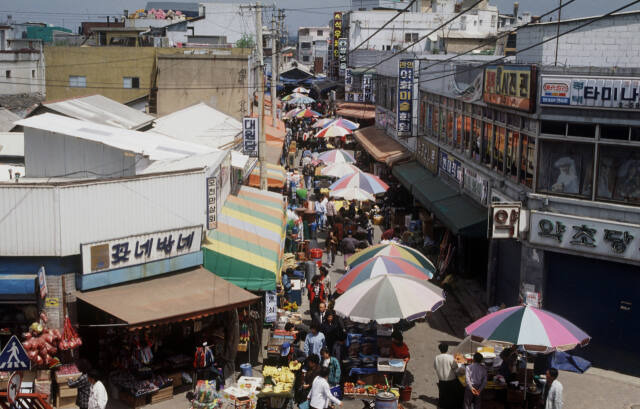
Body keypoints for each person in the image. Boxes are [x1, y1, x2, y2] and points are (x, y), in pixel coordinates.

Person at [434, 343, 459, 409]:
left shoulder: (437, 357)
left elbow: (435, 367)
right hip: (451, 379)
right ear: (447, 349)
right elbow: (455, 367)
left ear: (440, 349)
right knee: (450, 394)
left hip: (441, 379)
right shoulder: (450, 357)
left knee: (442, 393)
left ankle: (441, 406)